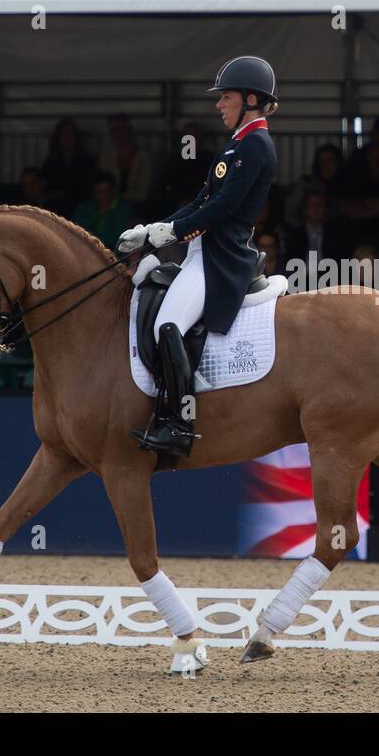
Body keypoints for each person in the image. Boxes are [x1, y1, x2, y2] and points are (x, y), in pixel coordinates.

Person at [117, 56, 279, 457]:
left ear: (251, 99)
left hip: (221, 260)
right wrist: (152, 231)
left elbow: (222, 209)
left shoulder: (256, 144)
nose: (218, 105)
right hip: (200, 254)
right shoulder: (238, 143)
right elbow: (200, 202)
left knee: (168, 323)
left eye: (226, 97)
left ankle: (179, 425)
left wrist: (171, 232)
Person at [72, 171, 132, 246]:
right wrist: (97, 215)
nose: (104, 196)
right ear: (92, 193)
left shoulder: (124, 208)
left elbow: (122, 235)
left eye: (107, 191)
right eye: (99, 192)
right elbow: (76, 229)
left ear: (114, 190)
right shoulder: (84, 208)